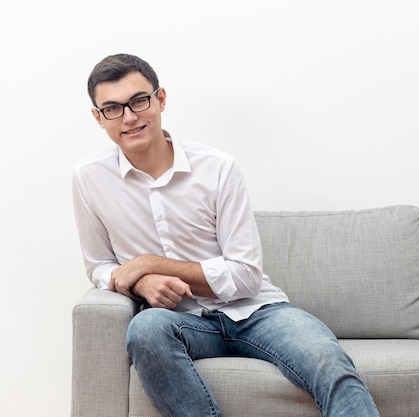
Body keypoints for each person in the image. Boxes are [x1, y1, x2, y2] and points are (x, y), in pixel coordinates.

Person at [72, 53, 380, 417]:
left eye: (139, 100)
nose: (129, 117)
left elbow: (245, 276)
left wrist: (150, 263)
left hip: (256, 312)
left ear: (161, 99)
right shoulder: (89, 178)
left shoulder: (217, 168)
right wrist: (141, 282)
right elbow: (100, 265)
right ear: (98, 117)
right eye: (112, 108)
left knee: (331, 364)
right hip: (179, 322)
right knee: (146, 330)